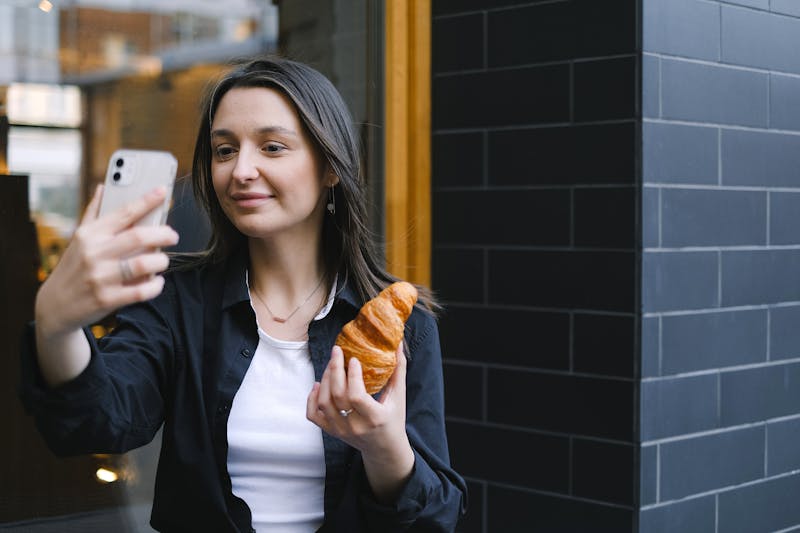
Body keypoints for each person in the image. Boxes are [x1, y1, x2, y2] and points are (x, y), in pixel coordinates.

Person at [19, 56, 466, 532]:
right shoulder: (177, 301)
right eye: (224, 150)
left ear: (330, 167)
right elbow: (99, 423)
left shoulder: (404, 328)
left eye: (272, 147)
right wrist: (57, 325)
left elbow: (438, 516)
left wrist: (385, 448)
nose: (241, 170)